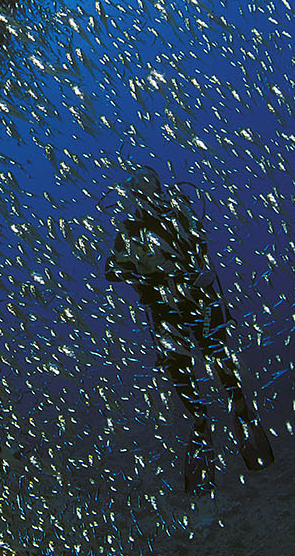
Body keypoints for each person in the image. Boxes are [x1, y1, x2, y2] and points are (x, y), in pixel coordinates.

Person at [104, 165, 274, 494]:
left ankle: (236, 408)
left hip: (198, 303)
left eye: (149, 188)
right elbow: (111, 270)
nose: (146, 195)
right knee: (183, 368)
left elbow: (200, 249)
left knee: (216, 356)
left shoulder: (179, 214)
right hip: (168, 313)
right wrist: (146, 273)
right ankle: (205, 419)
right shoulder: (130, 230)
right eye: (140, 191)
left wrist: (180, 275)